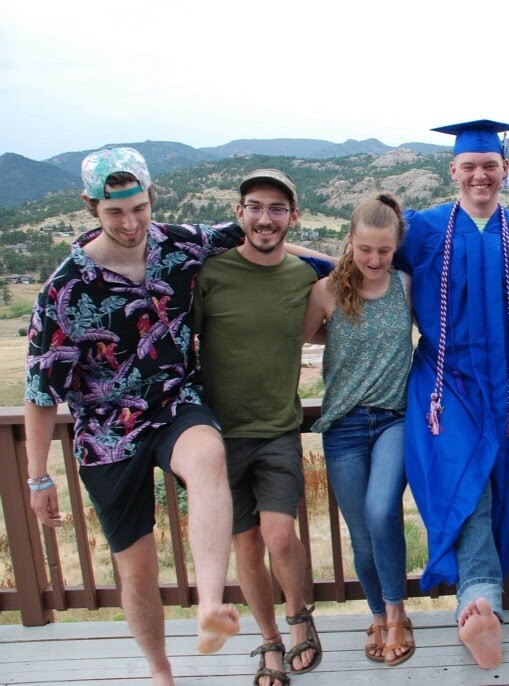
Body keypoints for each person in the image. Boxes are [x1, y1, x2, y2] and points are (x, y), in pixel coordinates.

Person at [24, 147, 241, 686]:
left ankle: (211, 605)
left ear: (152, 198)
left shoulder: (179, 243)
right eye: (114, 212)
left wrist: (345, 263)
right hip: (105, 435)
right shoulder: (64, 288)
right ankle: (160, 671)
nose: (129, 223)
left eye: (138, 208)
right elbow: (40, 391)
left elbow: (260, 233)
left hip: (174, 403)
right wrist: (38, 476)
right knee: (137, 569)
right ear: (90, 206)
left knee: (210, 456)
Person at [393, 120, 509, 669]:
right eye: (469, 166)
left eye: (490, 165)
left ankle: (482, 599)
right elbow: (362, 264)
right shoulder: (423, 229)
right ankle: (480, 602)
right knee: (471, 487)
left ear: (505, 169)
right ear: (453, 171)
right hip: (445, 387)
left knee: (506, 491)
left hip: (508, 391)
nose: (480, 174)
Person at [194, 169, 334, 686]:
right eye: (255, 207)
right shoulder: (210, 275)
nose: (265, 218)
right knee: (246, 545)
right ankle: (270, 641)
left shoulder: (302, 276)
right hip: (218, 437)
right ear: (239, 214)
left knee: (279, 534)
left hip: (278, 426)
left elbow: (340, 284)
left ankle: (299, 617)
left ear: (292, 217)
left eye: (278, 209)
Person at [302, 194, 415, 667]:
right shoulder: (325, 291)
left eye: (383, 251)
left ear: (396, 248)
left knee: (380, 508)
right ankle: (379, 613)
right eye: (364, 249)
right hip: (343, 427)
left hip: (394, 418)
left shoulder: (407, 286)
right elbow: (309, 335)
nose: (373, 259)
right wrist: (347, 337)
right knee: (361, 534)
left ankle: (395, 614)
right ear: (349, 243)